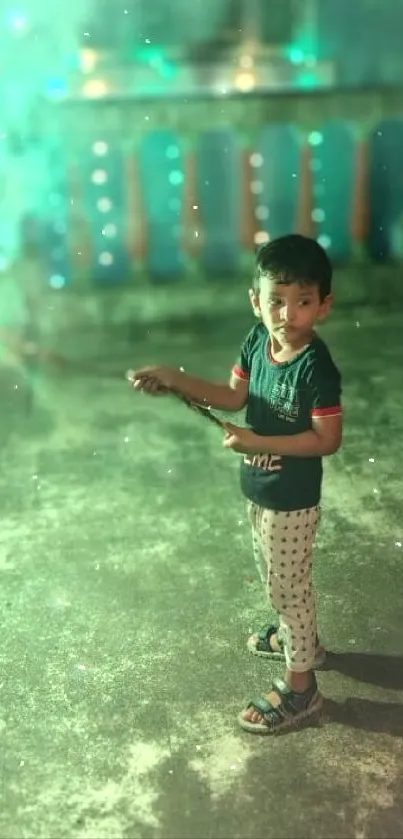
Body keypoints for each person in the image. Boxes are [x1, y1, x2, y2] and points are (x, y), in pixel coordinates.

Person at [129, 234, 343, 735]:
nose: (286, 314)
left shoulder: (317, 367)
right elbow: (230, 395)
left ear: (324, 306)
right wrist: (175, 379)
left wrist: (256, 440)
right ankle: (304, 643)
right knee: (279, 580)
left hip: (291, 499)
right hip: (260, 489)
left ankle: (301, 689)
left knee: (287, 586)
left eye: (302, 302)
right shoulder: (256, 341)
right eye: (275, 300)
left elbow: (326, 439)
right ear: (256, 300)